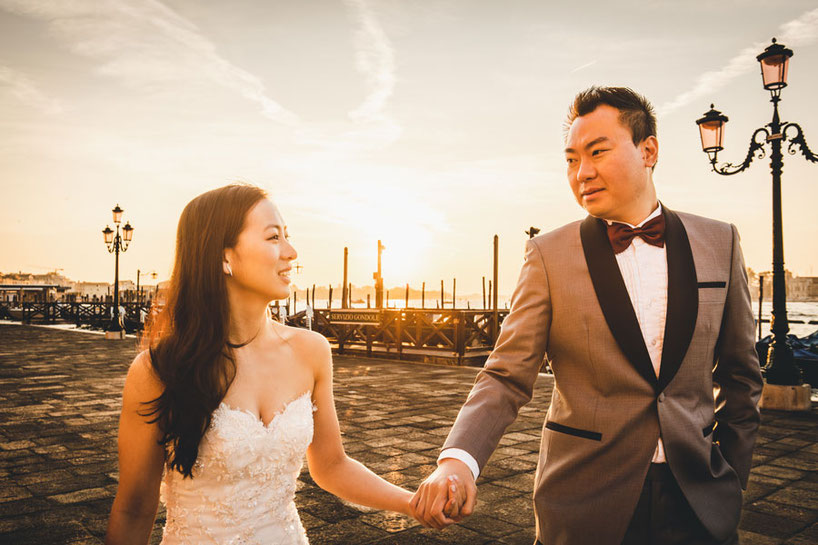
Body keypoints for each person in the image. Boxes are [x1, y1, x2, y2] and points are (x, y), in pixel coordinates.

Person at [410, 87, 763, 545]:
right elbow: (505, 376)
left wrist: (731, 476)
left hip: (700, 502)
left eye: (597, 152)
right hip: (582, 502)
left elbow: (742, 376)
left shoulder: (720, 242)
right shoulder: (547, 255)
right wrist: (457, 460)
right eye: (572, 159)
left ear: (648, 150)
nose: (582, 173)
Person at [105, 184, 462, 544]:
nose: (291, 252)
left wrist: (411, 503)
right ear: (222, 256)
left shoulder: (311, 351)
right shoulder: (158, 371)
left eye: (288, 236)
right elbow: (134, 507)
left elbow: (332, 466)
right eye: (274, 237)